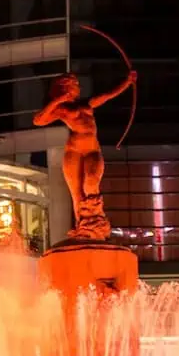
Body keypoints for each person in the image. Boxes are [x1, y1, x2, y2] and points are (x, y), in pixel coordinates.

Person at [33, 70, 137, 239]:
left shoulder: (87, 104)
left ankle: (96, 222)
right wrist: (58, 100)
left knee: (91, 184)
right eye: (72, 85)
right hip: (73, 151)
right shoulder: (62, 109)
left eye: (76, 85)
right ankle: (82, 227)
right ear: (63, 88)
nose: (76, 88)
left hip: (91, 150)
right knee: (76, 194)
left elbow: (108, 95)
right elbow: (38, 120)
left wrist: (127, 82)